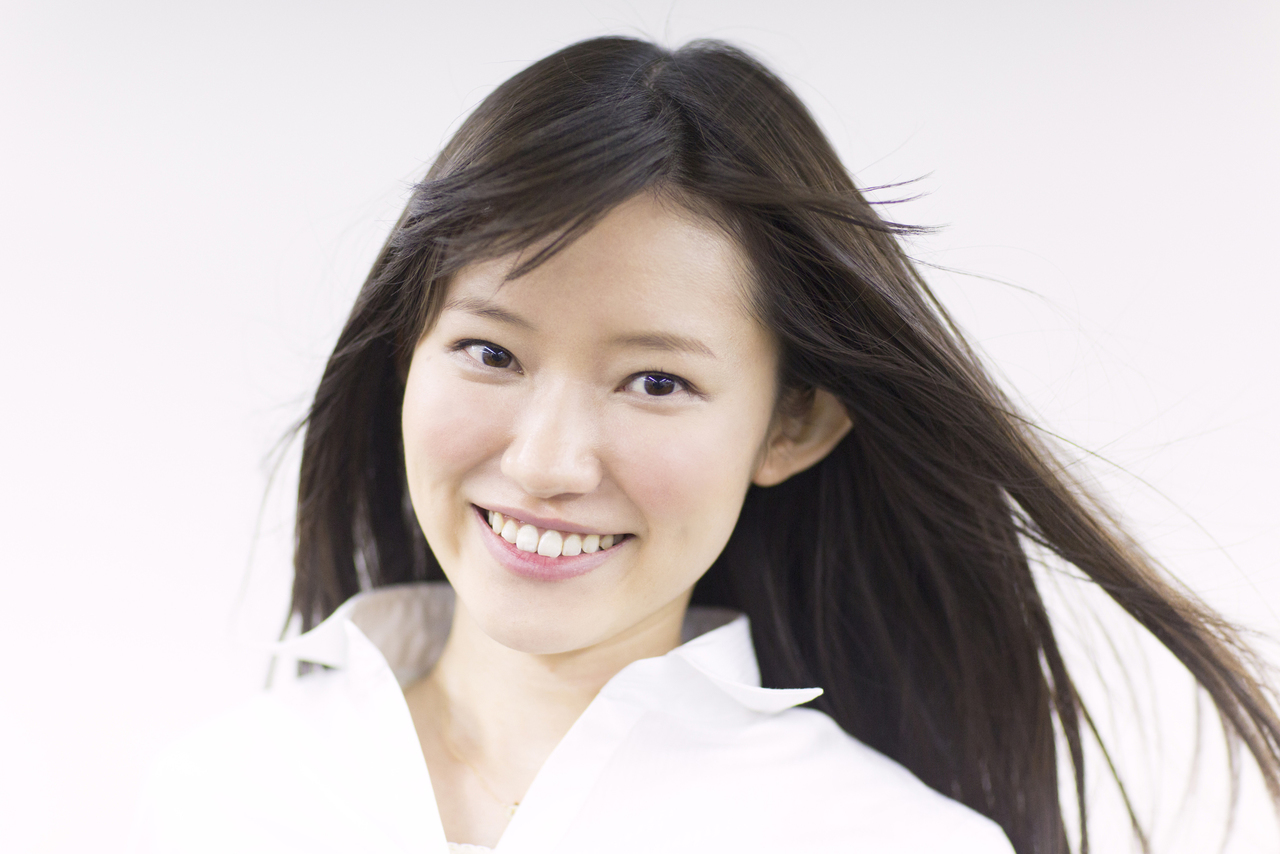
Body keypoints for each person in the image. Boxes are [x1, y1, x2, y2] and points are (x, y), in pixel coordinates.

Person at [132, 36, 1280, 854]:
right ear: (404, 351)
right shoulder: (216, 799)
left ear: (792, 422)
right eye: (489, 351)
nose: (545, 461)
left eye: (655, 381)